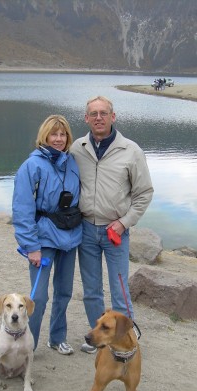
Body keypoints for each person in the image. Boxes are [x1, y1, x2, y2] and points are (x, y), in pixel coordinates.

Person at [70, 96, 154, 353]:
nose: (98, 118)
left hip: (115, 231)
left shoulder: (131, 150)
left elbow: (144, 193)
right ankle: (100, 340)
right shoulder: (77, 148)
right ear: (86, 118)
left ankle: (126, 342)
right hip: (85, 230)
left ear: (113, 117)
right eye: (93, 113)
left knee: (119, 289)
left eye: (103, 113)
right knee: (92, 289)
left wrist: (124, 222)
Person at [12, 115, 82, 355]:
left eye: (63, 135)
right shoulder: (32, 165)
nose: (59, 139)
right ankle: (27, 344)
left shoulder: (72, 162)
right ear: (45, 136)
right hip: (43, 238)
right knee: (38, 297)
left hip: (69, 236)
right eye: (54, 134)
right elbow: (22, 208)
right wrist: (31, 246)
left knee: (64, 292)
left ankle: (57, 337)